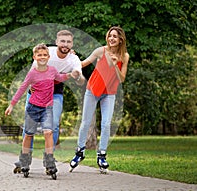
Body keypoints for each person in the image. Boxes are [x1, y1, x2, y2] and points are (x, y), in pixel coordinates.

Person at [13, 30, 85, 172]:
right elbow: (33, 71)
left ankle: (49, 159)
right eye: (62, 41)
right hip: (36, 91)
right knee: (28, 127)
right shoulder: (47, 52)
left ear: (72, 44)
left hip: (55, 92)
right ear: (56, 42)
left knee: (53, 126)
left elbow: (81, 81)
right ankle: (24, 158)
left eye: (68, 42)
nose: (65, 44)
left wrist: (78, 76)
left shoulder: (74, 59)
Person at [69, 26, 129, 173]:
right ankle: (79, 152)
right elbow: (83, 64)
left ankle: (101, 155)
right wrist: (72, 57)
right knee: (85, 122)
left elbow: (121, 79)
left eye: (115, 36)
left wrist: (115, 64)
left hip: (109, 93)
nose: (111, 39)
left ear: (121, 39)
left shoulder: (124, 56)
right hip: (93, 90)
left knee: (107, 123)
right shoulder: (100, 51)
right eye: (110, 36)